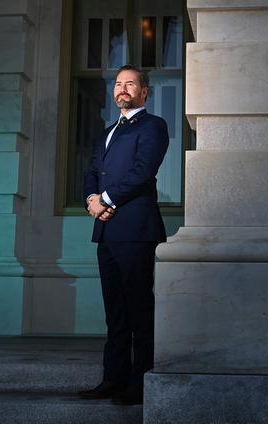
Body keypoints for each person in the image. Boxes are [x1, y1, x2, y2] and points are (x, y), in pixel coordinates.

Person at [77, 65, 169, 406]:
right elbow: (90, 172)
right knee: (114, 310)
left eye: (130, 84)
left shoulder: (154, 126)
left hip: (135, 229)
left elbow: (142, 172)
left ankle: (141, 383)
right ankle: (112, 378)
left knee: (138, 309)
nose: (123, 89)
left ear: (144, 91)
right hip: (106, 230)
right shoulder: (105, 132)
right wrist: (91, 201)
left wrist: (107, 199)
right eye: (118, 84)